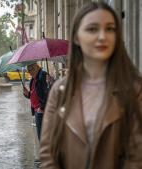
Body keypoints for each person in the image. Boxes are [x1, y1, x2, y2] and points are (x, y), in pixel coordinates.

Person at [39, 2, 142, 169]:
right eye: (92, 29)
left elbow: (137, 158)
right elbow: (47, 155)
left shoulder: (135, 90)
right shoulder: (59, 91)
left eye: (110, 29)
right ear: (76, 37)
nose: (102, 36)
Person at [23, 63, 49, 141]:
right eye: (29, 70)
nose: (30, 72)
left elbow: (47, 93)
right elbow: (34, 94)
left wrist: (42, 108)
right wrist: (27, 94)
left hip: (42, 111)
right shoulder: (33, 80)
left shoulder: (43, 75)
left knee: (43, 138)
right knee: (41, 137)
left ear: (37, 67)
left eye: (32, 69)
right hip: (37, 111)